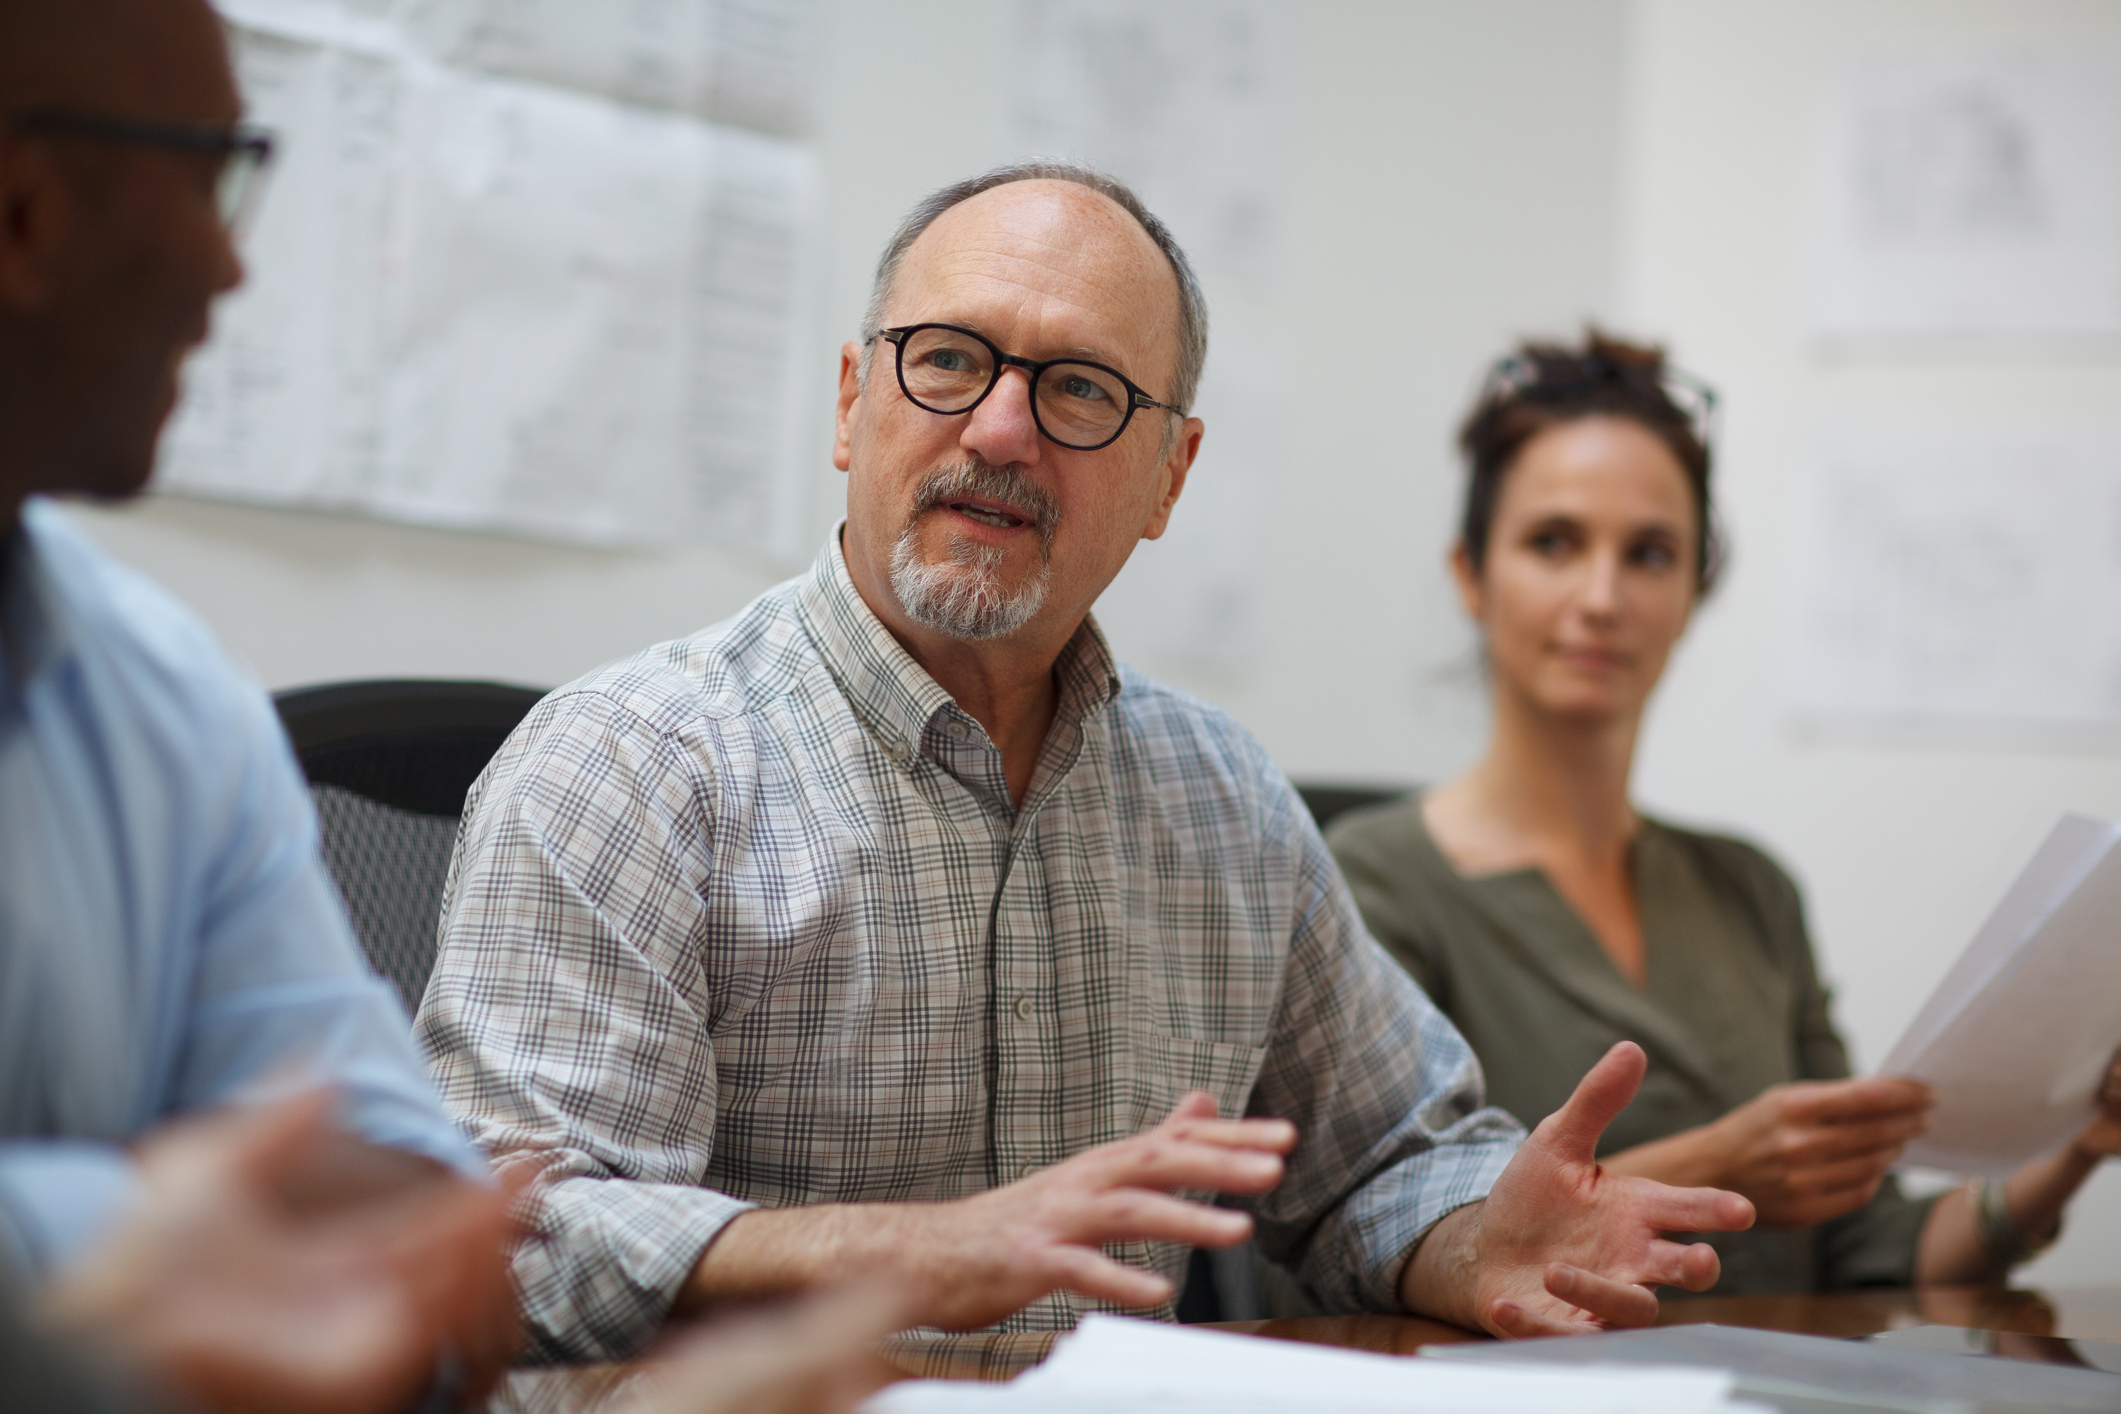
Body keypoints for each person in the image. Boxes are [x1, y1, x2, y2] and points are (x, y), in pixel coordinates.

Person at [418, 162, 1754, 1365]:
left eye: (1078, 391)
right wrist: (906, 1254)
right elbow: (507, 1236)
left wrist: (1474, 1240)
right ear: (849, 402)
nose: (1000, 430)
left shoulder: (1218, 796)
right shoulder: (633, 766)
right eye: (948, 361)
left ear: (1169, 477)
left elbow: (1383, 1159)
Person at [1326, 329, 2121, 1297]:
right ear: (1470, 573)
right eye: (1553, 542)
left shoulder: (1752, 888)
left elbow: (1866, 1252)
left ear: (1695, 588)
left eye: (1651, 553)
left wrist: (2079, 1145)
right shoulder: (1370, 881)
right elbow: (1357, 1248)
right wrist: (1723, 1163)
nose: (1602, 596)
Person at [0, 0, 493, 1285]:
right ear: (26, 212)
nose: (232, 270)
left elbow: (409, 1203)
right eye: (210, 173)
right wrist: (119, 1239)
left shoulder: (161, 698)